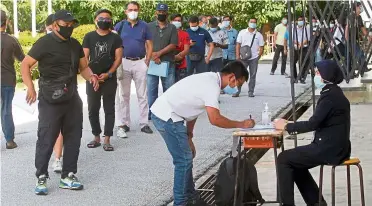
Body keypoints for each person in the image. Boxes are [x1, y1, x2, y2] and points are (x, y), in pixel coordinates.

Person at [150, 60, 255, 206]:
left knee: (187, 158)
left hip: (172, 114)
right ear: (232, 77)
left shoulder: (210, 79)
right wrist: (241, 124)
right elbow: (215, 119)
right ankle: (181, 202)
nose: (237, 87)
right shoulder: (212, 86)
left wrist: (189, 136)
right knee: (183, 160)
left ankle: (191, 197)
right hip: (167, 115)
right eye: (239, 83)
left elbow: (194, 109)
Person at [21, 10, 99, 195]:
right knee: (46, 138)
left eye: (72, 24)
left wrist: (91, 77)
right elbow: (25, 64)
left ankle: (68, 175)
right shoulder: (44, 43)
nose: (70, 27)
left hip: (72, 97)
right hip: (50, 99)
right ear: (55, 25)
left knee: (73, 137)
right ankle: (41, 176)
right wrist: (30, 87)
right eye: (66, 24)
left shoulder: (74, 44)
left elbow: (83, 67)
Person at [274, 60, 350, 206]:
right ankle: (316, 202)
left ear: (325, 76)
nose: (315, 75)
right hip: (335, 147)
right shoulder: (334, 93)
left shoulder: (330, 97)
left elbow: (313, 123)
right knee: (295, 162)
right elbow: (318, 121)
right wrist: (289, 124)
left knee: (283, 159)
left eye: (317, 73)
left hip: (329, 149)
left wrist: (287, 127)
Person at [83, 9, 123, 151]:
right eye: (101, 18)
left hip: (109, 78)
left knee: (109, 108)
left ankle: (107, 139)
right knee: (93, 108)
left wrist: (109, 73)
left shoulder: (115, 38)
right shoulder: (89, 37)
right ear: (95, 20)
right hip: (92, 78)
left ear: (111, 21)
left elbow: (118, 58)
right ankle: (96, 137)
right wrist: (91, 75)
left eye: (107, 18)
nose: (104, 20)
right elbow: (84, 58)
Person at [114, 1, 153, 136]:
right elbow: (114, 42)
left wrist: (147, 60)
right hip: (124, 62)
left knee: (142, 94)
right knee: (124, 95)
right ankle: (125, 124)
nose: (133, 11)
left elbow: (149, 43)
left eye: (135, 9)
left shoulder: (144, 26)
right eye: (130, 9)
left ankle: (144, 123)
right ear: (126, 11)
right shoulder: (120, 25)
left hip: (140, 62)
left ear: (139, 10)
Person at [147, 3, 178, 121]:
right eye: (159, 12)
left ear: (167, 13)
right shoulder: (149, 26)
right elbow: (145, 42)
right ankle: (152, 114)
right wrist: (152, 56)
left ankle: (167, 113)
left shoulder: (172, 28)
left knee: (168, 90)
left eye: (163, 12)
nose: (161, 14)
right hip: (152, 63)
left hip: (167, 63)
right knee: (151, 90)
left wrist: (158, 54)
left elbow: (173, 44)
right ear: (156, 13)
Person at [1, 10, 25, 149]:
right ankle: (9, 140)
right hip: (7, 80)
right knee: (6, 109)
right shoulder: (11, 40)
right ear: (7, 22)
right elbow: (23, 59)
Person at [235, 17, 265, 97]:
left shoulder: (259, 35)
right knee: (240, 74)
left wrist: (258, 57)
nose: (252, 23)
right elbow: (238, 44)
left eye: (254, 22)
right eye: (251, 22)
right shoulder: (242, 32)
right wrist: (237, 56)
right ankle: (237, 91)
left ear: (256, 24)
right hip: (243, 58)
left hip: (253, 58)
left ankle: (250, 91)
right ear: (248, 22)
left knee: (253, 75)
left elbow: (262, 47)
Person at [170, 13, 190, 82]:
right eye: (175, 20)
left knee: (181, 86)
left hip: (181, 65)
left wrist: (178, 56)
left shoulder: (185, 34)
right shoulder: (166, 33)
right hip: (168, 64)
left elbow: (186, 49)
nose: (177, 22)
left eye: (179, 21)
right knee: (169, 88)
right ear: (171, 22)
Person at [292, 16, 311, 83]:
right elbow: (292, 38)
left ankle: (301, 77)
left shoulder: (306, 28)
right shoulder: (294, 29)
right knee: (293, 62)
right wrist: (298, 43)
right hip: (296, 47)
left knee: (302, 63)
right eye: (299, 20)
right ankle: (294, 77)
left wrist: (301, 44)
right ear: (297, 21)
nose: (300, 22)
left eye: (301, 20)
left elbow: (308, 38)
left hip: (304, 47)